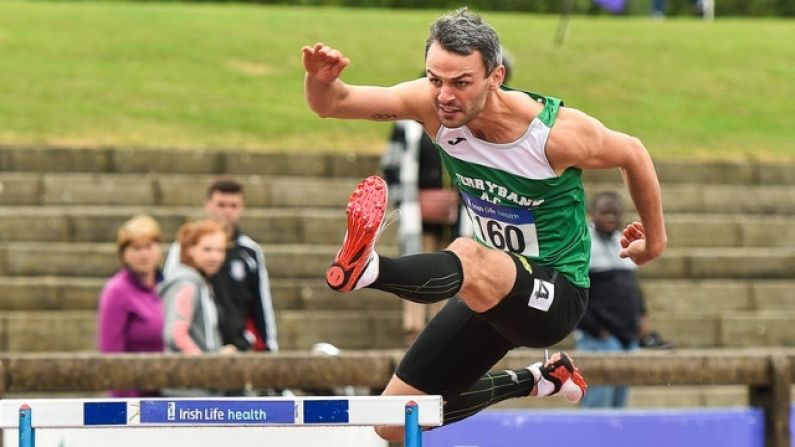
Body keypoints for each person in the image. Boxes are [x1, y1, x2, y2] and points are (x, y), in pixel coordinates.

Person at [302, 7, 666, 440]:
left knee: (468, 253)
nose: (444, 96)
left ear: (495, 76)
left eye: (461, 82)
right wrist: (320, 80)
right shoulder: (432, 106)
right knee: (391, 421)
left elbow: (634, 153)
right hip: (490, 290)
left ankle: (370, 269)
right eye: (435, 79)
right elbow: (335, 104)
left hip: (557, 292)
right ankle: (539, 379)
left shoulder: (554, 135)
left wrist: (654, 241)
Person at [382, 54, 512, 346]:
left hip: (458, 209)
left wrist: (458, 196)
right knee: (416, 261)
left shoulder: (468, 123)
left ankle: (437, 329)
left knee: (450, 265)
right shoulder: (408, 123)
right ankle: (413, 327)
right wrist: (411, 200)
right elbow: (391, 165)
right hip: (418, 209)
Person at [165, 177, 278, 353]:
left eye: (233, 206)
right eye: (221, 205)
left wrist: (269, 347)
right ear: (191, 251)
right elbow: (175, 327)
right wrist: (204, 361)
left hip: (231, 348)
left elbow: (261, 304)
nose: (227, 212)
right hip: (201, 354)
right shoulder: (185, 275)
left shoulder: (250, 252)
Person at [575, 191, 643, 408]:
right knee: (598, 405)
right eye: (604, 212)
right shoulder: (582, 243)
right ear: (591, 213)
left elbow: (633, 287)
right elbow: (575, 294)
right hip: (599, 338)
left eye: (615, 213)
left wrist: (642, 316)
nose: (610, 217)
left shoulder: (623, 242)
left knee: (619, 408)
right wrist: (596, 330)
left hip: (627, 337)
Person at [97, 215, 165, 397]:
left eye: (149, 247)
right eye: (136, 248)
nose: (144, 254)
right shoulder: (116, 291)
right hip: (135, 399)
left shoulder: (168, 286)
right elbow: (111, 354)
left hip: (171, 394)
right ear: (123, 254)